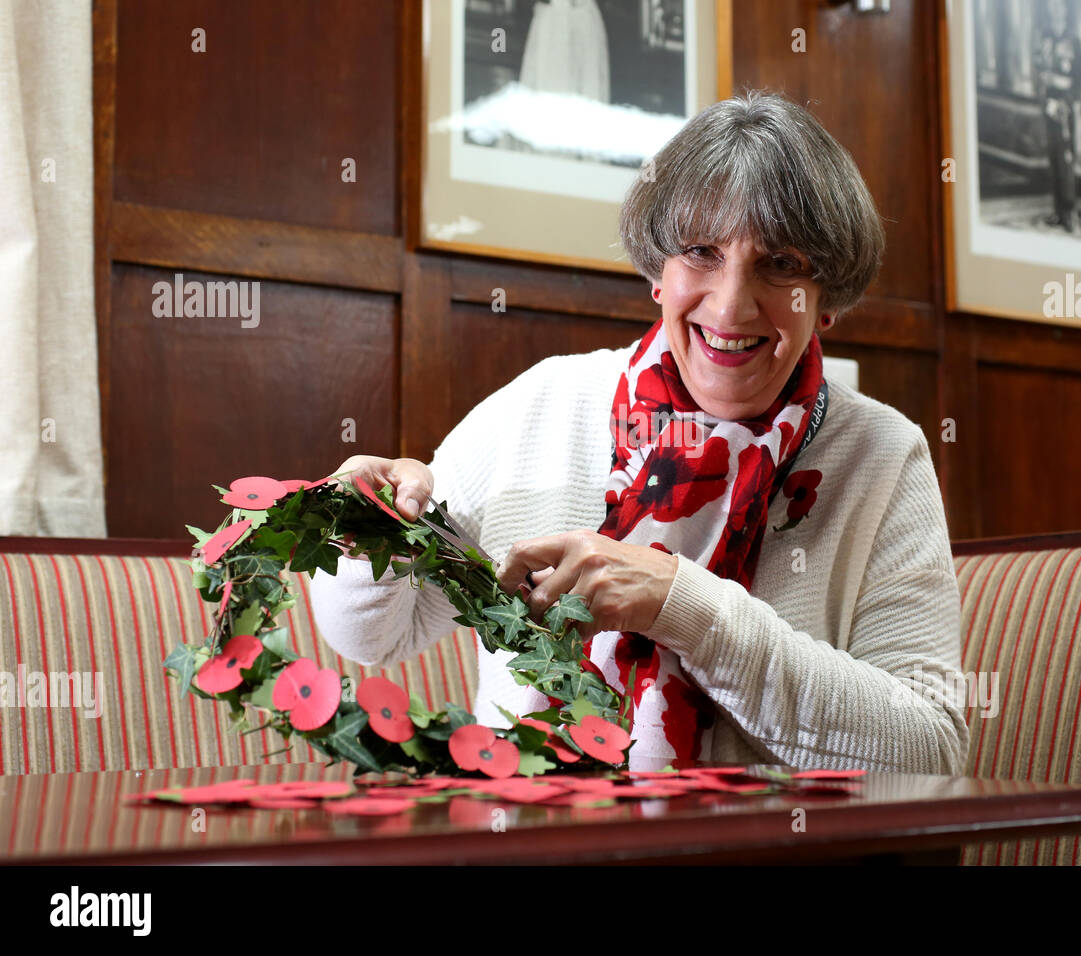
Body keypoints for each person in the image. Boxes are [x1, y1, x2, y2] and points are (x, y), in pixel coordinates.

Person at [309, 90, 970, 774]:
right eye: (700, 251)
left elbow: (929, 747)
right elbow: (377, 636)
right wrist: (368, 530)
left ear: (825, 302)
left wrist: (680, 604)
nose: (731, 303)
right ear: (658, 272)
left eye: (780, 264)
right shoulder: (540, 406)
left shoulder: (884, 456)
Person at [1037, 0, 1081, 233]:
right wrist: (1046, 101)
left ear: (1065, 10)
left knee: (1066, 162)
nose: (1055, 11)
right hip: (1049, 109)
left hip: (1066, 111)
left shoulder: (1074, 42)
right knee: (1053, 161)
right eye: (1051, 7)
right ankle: (1057, 211)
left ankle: (1070, 213)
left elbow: (1078, 82)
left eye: (1059, 6)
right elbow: (1041, 74)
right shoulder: (1045, 40)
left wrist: (1065, 104)